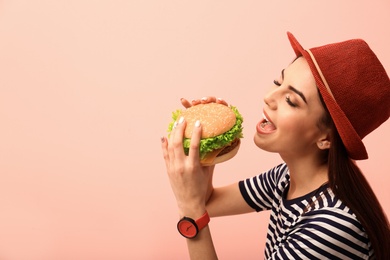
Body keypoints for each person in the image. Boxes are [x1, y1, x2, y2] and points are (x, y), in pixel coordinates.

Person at [160, 32, 390, 259]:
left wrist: (191, 215)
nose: (269, 97)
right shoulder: (287, 178)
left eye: (291, 100)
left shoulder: (332, 227)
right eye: (278, 82)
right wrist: (208, 149)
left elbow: (196, 207)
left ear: (326, 138)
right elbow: (207, 203)